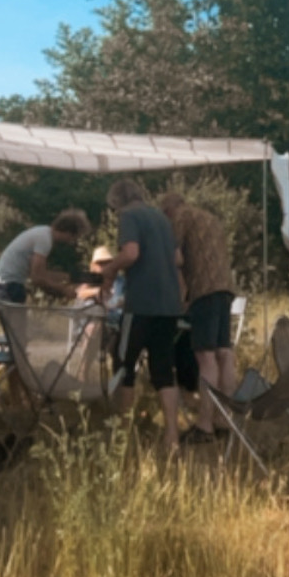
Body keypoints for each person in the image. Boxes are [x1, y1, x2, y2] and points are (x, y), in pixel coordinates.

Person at [97, 178, 184, 451]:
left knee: (124, 362)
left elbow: (131, 253)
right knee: (163, 369)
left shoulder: (129, 216)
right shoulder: (162, 219)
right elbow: (178, 259)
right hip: (169, 306)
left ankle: (122, 433)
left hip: (141, 305)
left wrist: (110, 269)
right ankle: (172, 436)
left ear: (117, 203)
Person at [160, 191, 238, 443]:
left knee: (205, 356)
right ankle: (224, 420)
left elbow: (176, 258)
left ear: (168, 211)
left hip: (203, 291)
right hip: (225, 289)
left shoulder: (179, 218)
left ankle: (204, 426)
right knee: (224, 353)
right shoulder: (211, 219)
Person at [0, 209, 90, 304]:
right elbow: (37, 278)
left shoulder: (43, 233)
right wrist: (63, 290)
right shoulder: (44, 240)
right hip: (8, 287)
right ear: (69, 232)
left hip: (3, 286)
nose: (72, 242)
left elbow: (42, 273)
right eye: (74, 237)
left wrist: (72, 277)